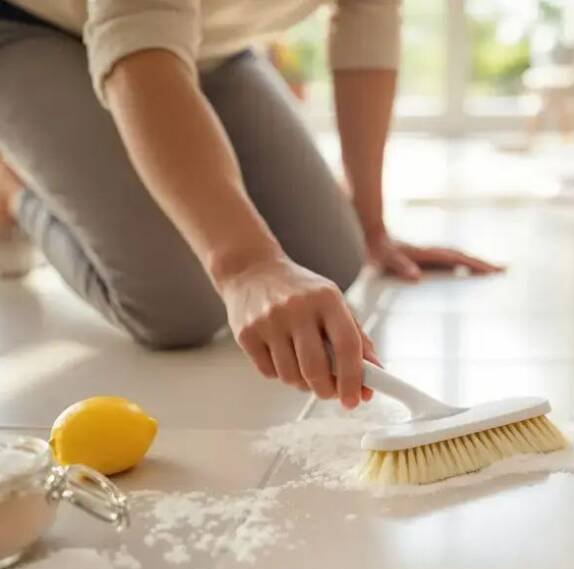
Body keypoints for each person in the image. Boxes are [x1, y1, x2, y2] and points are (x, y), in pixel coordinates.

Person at [0, 0, 502, 411]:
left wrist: (371, 226)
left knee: (330, 258)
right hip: (33, 28)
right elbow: (138, 52)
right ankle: (12, 185)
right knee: (176, 307)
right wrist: (246, 265)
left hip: (206, 42)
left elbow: (368, 20)